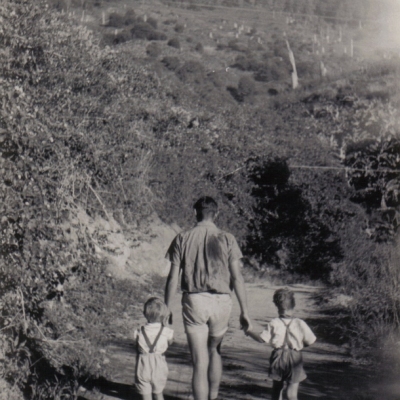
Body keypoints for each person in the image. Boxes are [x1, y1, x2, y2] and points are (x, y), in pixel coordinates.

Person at [164, 196, 252, 400]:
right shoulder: (228, 238)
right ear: (217, 214)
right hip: (221, 301)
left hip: (195, 301)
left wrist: (166, 308)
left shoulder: (182, 238)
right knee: (215, 351)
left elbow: (172, 278)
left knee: (199, 361)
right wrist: (245, 311)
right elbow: (237, 278)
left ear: (195, 213)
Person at [245, 288, 316, 400]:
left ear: (277, 307)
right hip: (295, 357)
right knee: (292, 393)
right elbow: (311, 341)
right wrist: (299, 345)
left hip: (278, 357)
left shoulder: (274, 323)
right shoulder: (300, 323)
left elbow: (261, 339)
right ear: (294, 305)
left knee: (277, 389)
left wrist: (249, 332)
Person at [134, 297, 174, 400]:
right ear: (164, 316)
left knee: (146, 395)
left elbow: (136, 347)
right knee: (158, 393)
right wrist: (165, 325)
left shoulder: (139, 331)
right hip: (159, 364)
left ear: (144, 314)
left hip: (143, 364)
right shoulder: (165, 331)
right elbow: (170, 342)